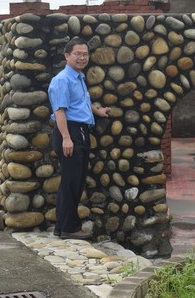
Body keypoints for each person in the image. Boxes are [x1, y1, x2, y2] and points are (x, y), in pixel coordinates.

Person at [48, 38, 109, 239]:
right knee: (71, 182)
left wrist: (97, 111)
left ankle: (62, 227)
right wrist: (66, 138)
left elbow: (81, 102)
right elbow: (60, 111)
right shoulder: (62, 80)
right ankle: (69, 228)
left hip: (79, 131)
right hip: (70, 132)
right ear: (67, 56)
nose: (82, 58)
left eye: (85, 54)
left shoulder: (78, 77)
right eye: (78, 54)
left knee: (75, 181)